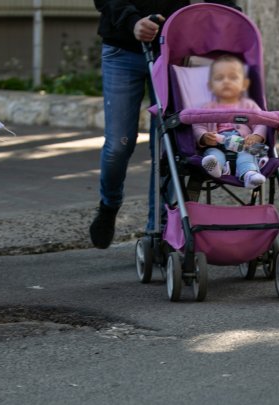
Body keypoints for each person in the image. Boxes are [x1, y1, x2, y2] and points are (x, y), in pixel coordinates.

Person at [90, 0, 241, 249]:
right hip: (122, 49)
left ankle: (159, 230)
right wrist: (132, 22)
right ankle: (109, 205)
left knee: (167, 146)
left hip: (172, 49)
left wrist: (231, 14)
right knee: (119, 144)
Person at [193, 54, 268, 189]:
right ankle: (217, 169)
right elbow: (198, 125)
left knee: (247, 156)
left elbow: (261, 122)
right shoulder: (206, 108)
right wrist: (203, 137)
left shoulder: (248, 105)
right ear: (210, 85)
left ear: (244, 84)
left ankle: (249, 174)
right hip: (216, 144)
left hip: (243, 144)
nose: (226, 81)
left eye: (233, 77)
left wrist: (257, 136)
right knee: (213, 155)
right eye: (219, 78)